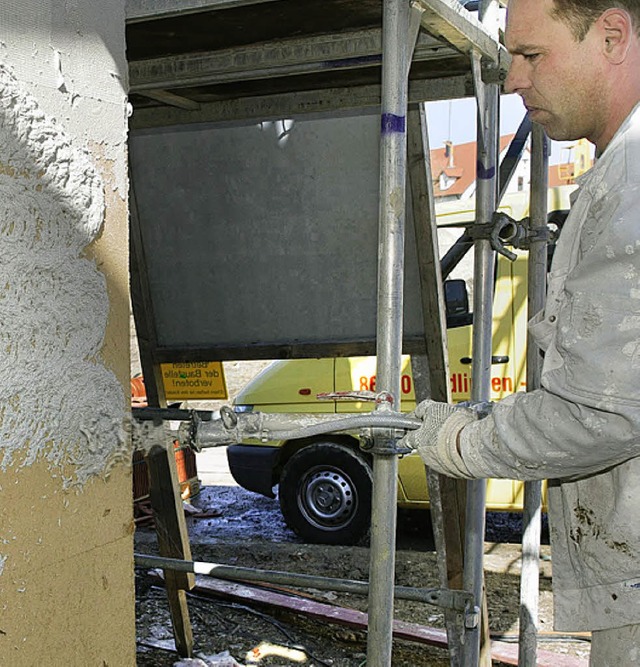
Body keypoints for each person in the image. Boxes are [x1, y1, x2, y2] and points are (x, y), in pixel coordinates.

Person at [401, 0, 640, 663]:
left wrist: (459, 439)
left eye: (532, 56)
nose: (513, 81)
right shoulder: (618, 174)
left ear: (612, 35)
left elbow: (599, 414)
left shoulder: (634, 184)